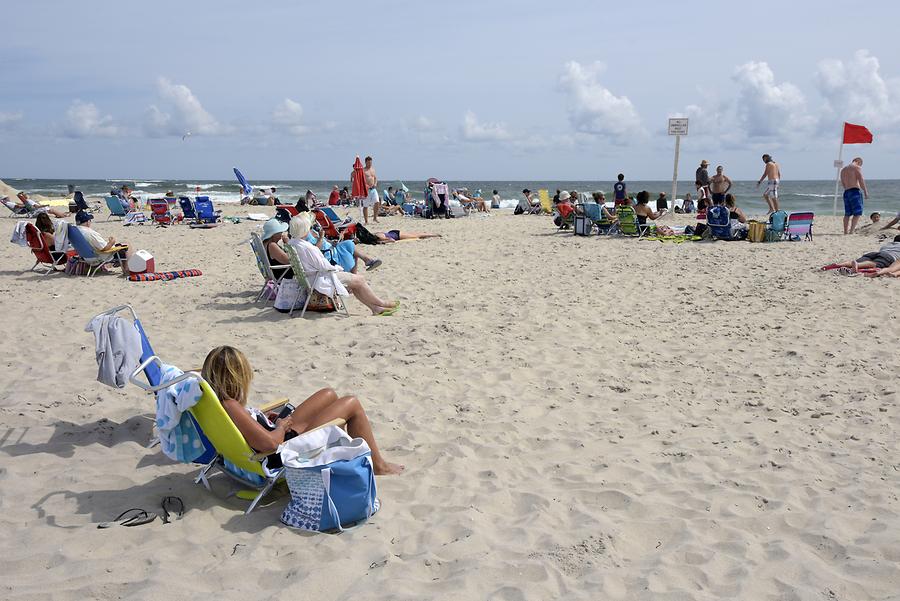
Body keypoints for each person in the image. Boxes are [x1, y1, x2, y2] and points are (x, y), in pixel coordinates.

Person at [201, 345, 403, 474]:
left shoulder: (217, 402)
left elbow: (249, 431)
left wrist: (262, 420)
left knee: (328, 394)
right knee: (352, 403)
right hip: (284, 452)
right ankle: (378, 465)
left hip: (279, 435)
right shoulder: (231, 405)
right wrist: (279, 427)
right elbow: (269, 444)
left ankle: (342, 453)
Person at [288, 216, 398, 315]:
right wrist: (337, 268)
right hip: (319, 278)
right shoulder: (307, 247)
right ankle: (381, 303)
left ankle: (375, 308)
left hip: (310, 278)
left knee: (356, 281)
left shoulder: (293, 243)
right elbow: (323, 266)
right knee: (359, 280)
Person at [821, 235, 900, 276]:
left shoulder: (888, 244)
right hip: (889, 257)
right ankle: (857, 265)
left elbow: (882, 250)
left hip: (875, 253)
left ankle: (838, 265)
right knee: (874, 264)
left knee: (863, 260)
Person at [840, 157, 869, 234]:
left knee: (847, 213)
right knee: (857, 213)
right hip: (855, 191)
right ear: (858, 162)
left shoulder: (843, 170)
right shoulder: (856, 167)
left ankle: (845, 231)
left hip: (846, 192)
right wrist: (865, 191)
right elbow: (861, 180)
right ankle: (851, 231)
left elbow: (843, 183)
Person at [363, 156, 379, 225]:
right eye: (369, 162)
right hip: (366, 190)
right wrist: (365, 185)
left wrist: (375, 183)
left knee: (377, 202)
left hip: (373, 189)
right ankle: (366, 221)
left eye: (371, 162)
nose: (370, 163)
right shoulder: (363, 170)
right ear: (366, 162)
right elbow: (361, 180)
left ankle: (375, 218)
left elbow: (375, 178)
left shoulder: (373, 169)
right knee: (366, 205)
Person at [373, 230, 442, 243]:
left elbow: (392, 240)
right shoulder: (376, 234)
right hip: (393, 232)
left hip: (398, 235)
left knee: (417, 235)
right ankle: (433, 234)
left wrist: (382, 242)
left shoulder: (379, 238)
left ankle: (434, 235)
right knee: (415, 234)